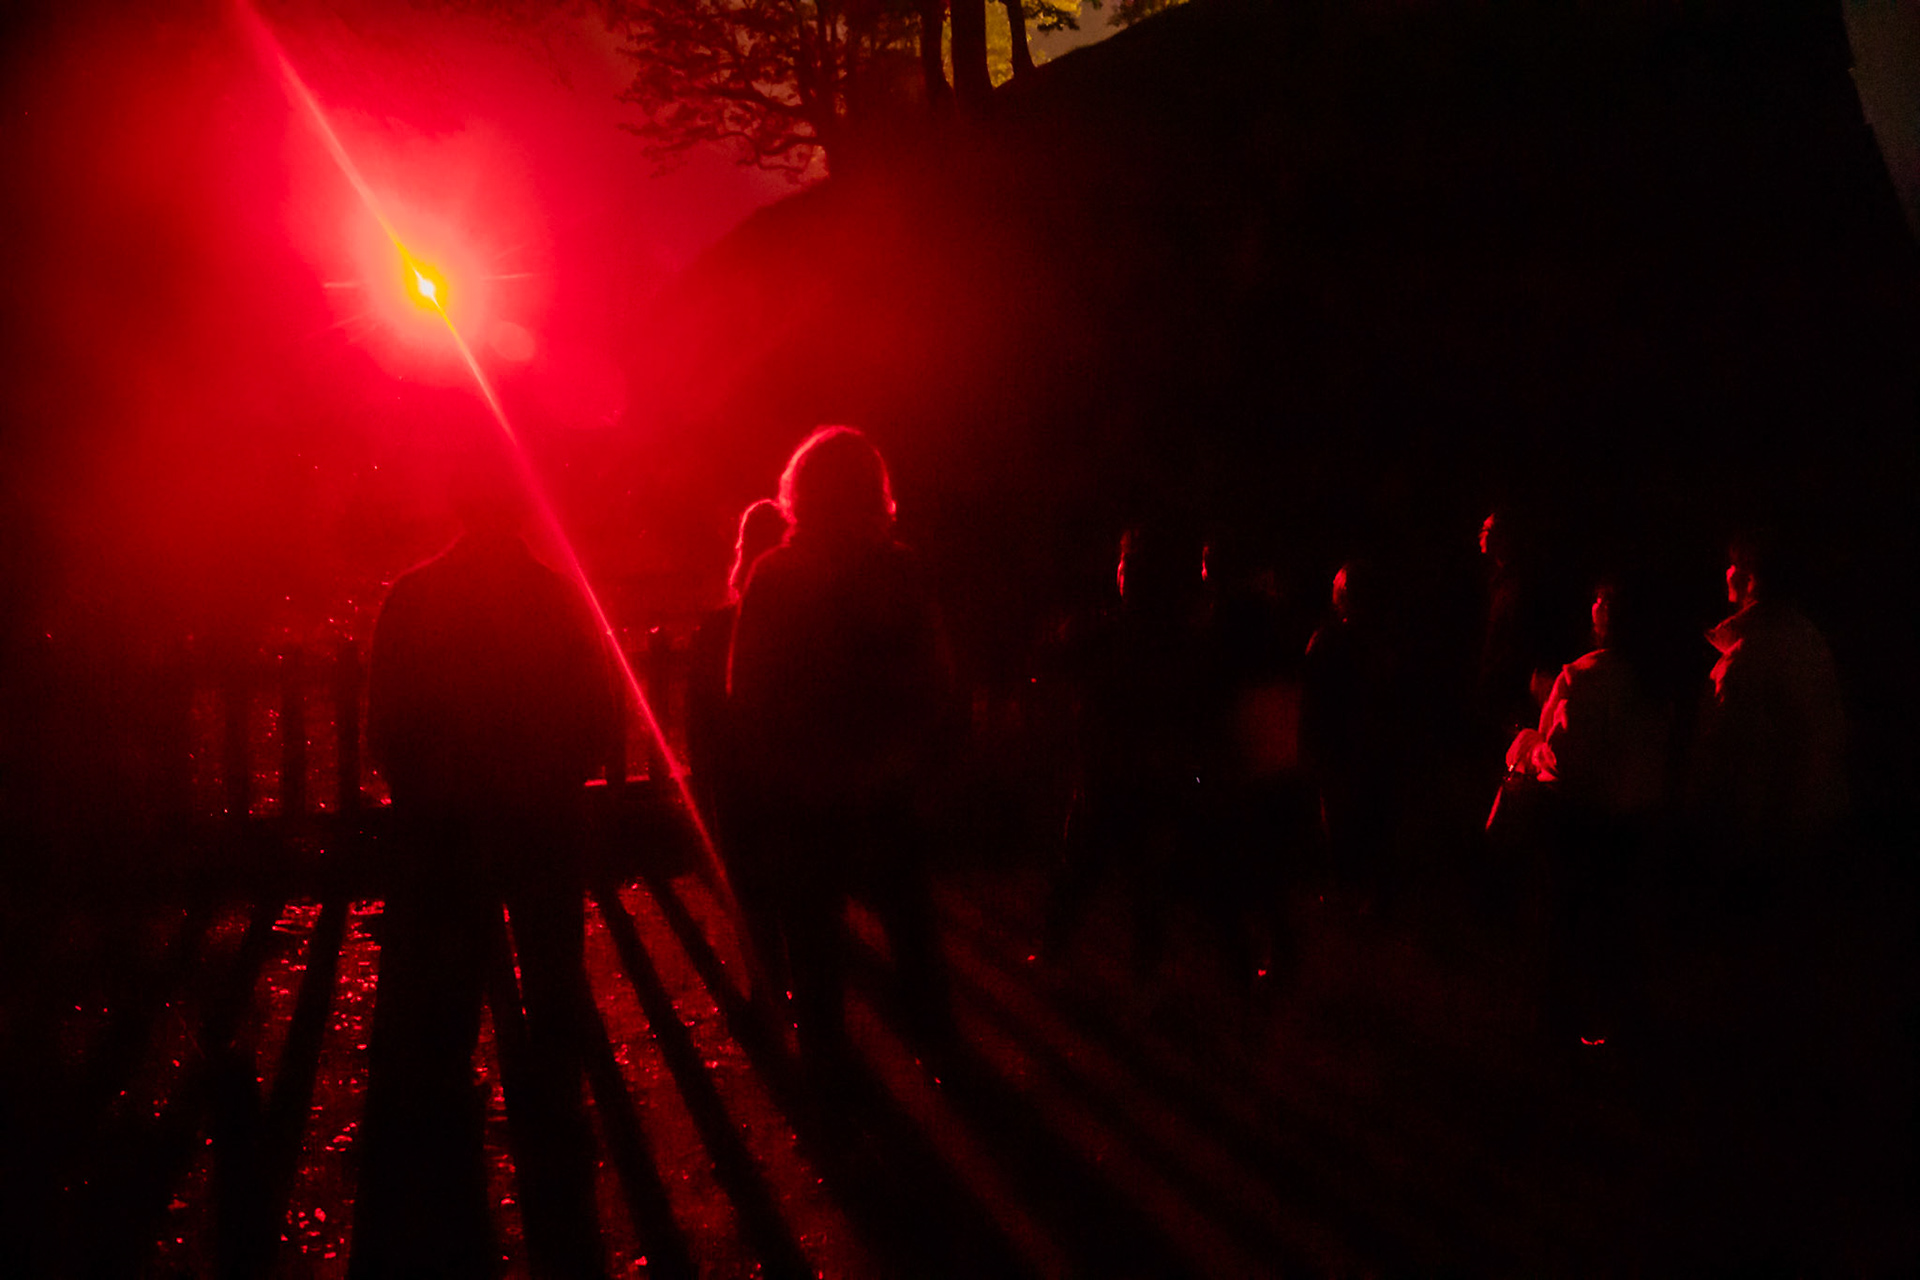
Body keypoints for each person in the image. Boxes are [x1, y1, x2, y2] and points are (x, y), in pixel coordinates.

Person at [356, 445, 616, 1279]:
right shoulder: (553, 603)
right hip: (538, 825)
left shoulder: (416, 598)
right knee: (547, 975)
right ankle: (550, 1116)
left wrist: (438, 790)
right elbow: (596, 726)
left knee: (443, 994)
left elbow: (388, 730)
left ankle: (443, 1146)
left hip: (444, 830)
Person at [727, 427, 958, 1071]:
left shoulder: (774, 576)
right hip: (887, 784)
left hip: (804, 792)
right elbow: (936, 681)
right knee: (912, 929)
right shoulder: (899, 570)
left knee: (815, 941)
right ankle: (944, 1055)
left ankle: (829, 1067)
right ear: (873, 491)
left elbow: (746, 692)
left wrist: (781, 772)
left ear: (800, 493)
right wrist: (906, 761)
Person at [685, 498, 791, 1010]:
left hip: (737, 778)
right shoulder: (804, 624)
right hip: (792, 772)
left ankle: (767, 983)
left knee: (750, 887)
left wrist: (705, 781)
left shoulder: (718, 629)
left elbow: (701, 721)